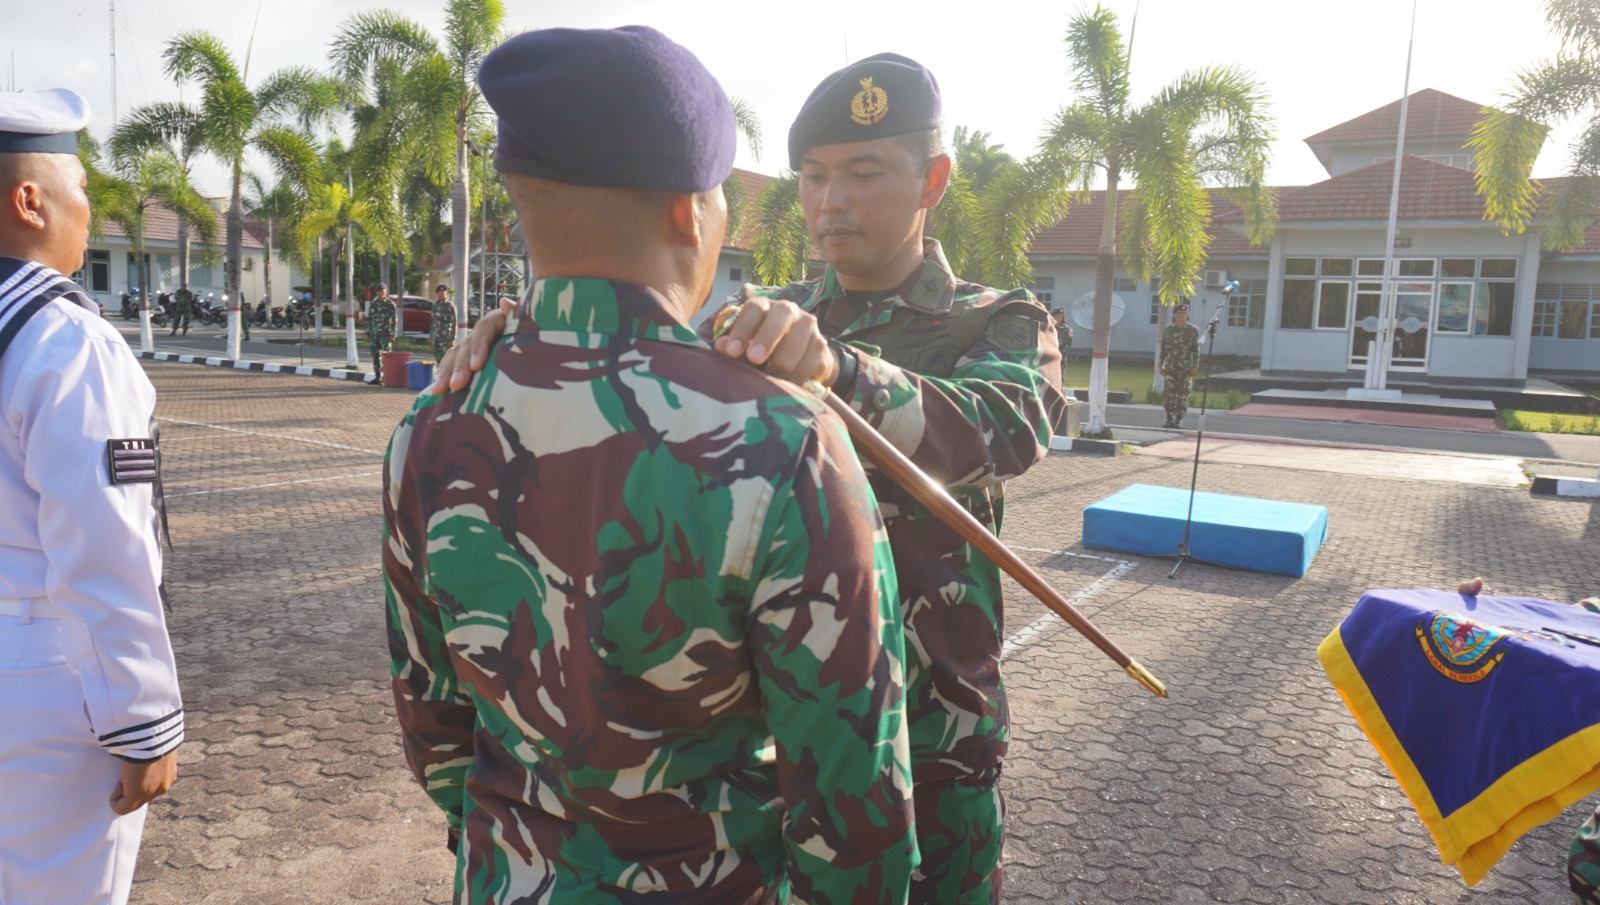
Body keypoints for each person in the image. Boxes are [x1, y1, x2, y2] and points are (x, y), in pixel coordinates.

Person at [438, 52, 1068, 904]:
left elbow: (1007, 425)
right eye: (813, 175)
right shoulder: (761, 315)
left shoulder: (998, 319)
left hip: (936, 733)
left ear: (934, 180)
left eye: (864, 172)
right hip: (793, 744)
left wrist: (843, 371)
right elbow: (636, 347)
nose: (829, 200)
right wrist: (528, 334)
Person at [383, 27, 916, 903]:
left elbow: (436, 730)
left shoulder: (431, 427)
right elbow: (853, 803)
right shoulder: (782, 438)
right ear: (690, 210)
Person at [0, 88, 183, 905]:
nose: (89, 205)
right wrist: (142, 717)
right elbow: (106, 547)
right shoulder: (66, 341)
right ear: (29, 200)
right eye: (79, 185)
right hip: (39, 683)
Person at [1159, 302, 1200, 429]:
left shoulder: (1193, 330)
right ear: (1174, 315)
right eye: (1177, 313)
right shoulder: (1168, 330)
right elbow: (1164, 349)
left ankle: (1179, 420)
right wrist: (1161, 364)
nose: (1180, 316)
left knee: (1183, 395)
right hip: (1170, 367)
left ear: (1187, 315)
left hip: (1186, 368)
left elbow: (1195, 349)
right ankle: (1169, 419)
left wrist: (1195, 366)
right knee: (1169, 395)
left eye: (1183, 313)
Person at [365, 282, 396, 385]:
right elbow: (369, 319)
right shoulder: (373, 304)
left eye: (382, 291)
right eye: (378, 291)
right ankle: (377, 377)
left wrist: (392, 334)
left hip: (385, 335)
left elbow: (394, 320)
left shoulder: (390, 304)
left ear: (386, 291)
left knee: (386, 357)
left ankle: (387, 378)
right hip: (375, 334)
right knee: (375, 356)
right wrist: (368, 332)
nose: (380, 293)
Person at [427, 283, 454, 361]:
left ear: (446, 293)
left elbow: (454, 323)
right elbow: (432, 322)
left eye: (442, 292)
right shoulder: (435, 305)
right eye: (438, 292)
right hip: (436, 337)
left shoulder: (450, 306)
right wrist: (431, 337)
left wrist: (452, 339)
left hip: (445, 338)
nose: (440, 294)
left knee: (446, 359)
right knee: (437, 358)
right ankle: (440, 372)